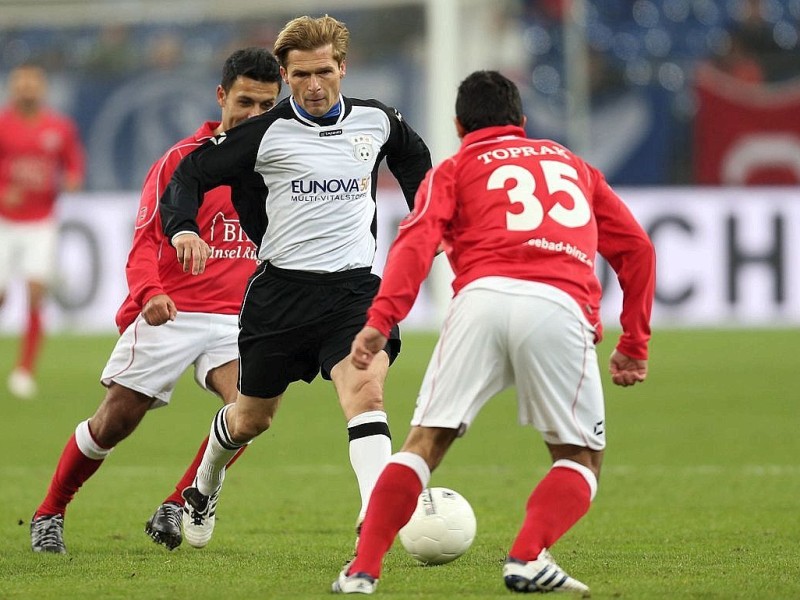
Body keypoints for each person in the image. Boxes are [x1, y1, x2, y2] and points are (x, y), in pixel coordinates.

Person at [333, 70, 656, 596]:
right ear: (523, 122)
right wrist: (633, 343)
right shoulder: (574, 165)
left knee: (423, 443)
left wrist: (380, 321)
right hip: (559, 304)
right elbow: (637, 250)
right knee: (579, 458)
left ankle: (363, 570)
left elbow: (414, 245)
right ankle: (528, 557)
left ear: (459, 125)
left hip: (479, 301)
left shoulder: (456, 168)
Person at [158, 15, 431, 550]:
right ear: (284, 75)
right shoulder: (263, 134)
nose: (314, 85)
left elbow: (414, 157)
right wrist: (185, 228)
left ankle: (373, 522)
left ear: (343, 68)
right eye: (301, 75)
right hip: (279, 298)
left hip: (353, 293)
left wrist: (428, 213)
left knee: (367, 393)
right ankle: (205, 482)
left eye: (324, 71)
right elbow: (189, 175)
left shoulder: (376, 121)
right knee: (251, 419)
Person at [29, 48, 282, 554]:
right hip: (173, 311)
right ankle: (50, 511)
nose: (255, 116)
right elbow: (144, 241)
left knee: (249, 412)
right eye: (245, 103)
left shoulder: (281, 167)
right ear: (221, 97)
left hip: (238, 319)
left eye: (266, 106)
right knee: (114, 422)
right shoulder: (181, 160)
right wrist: (151, 293)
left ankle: (180, 501)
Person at [0, 63, 86, 399]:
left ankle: (24, 370)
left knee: (36, 292)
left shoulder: (59, 127)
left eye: (32, 84)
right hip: (5, 222)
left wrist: (73, 179)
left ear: (42, 89)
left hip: (41, 222)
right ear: (13, 88)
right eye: (21, 84)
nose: (27, 89)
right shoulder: (3, 125)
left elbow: (74, 163)